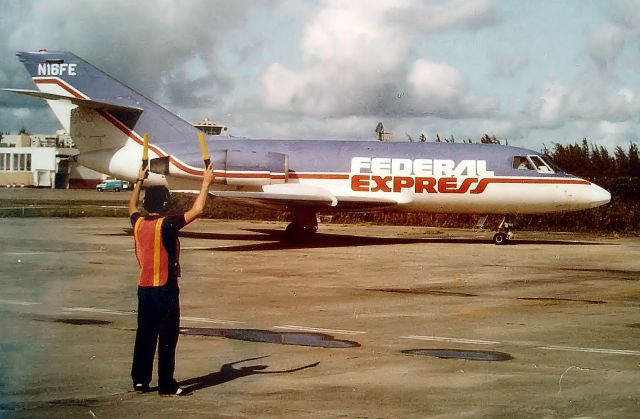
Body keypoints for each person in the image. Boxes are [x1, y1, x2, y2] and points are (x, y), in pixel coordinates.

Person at [128, 164, 215, 396]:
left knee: (144, 334)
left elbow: (131, 207)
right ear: (166, 204)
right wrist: (205, 183)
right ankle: (166, 384)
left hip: (144, 287)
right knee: (167, 336)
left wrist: (139, 181)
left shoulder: (137, 223)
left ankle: (140, 380)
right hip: (165, 288)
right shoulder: (167, 224)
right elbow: (196, 210)